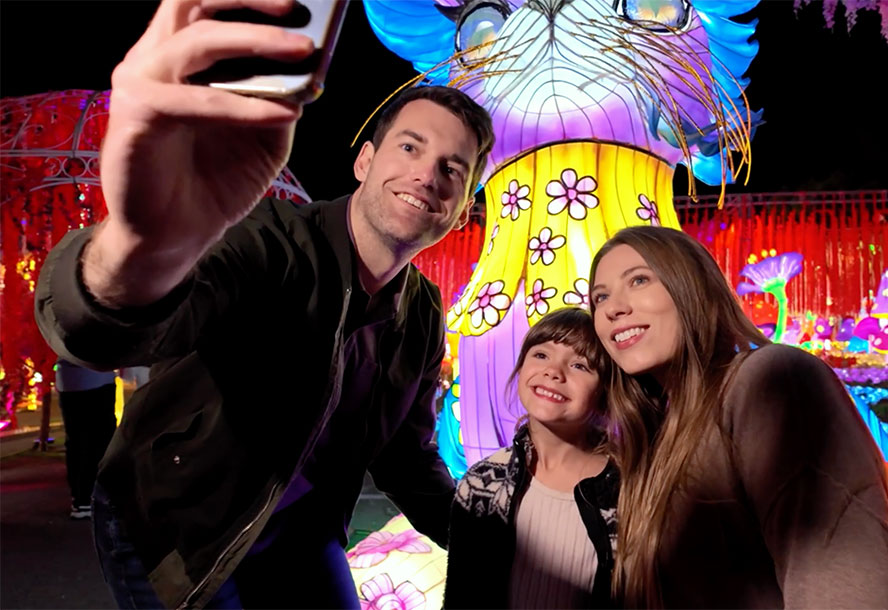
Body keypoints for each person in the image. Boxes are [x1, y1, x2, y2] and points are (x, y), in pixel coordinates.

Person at [33, 0, 495, 606]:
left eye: (452, 169)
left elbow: (406, 458)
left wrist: (500, 544)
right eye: (409, 147)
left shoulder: (422, 313)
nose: (427, 174)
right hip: (173, 524)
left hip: (301, 531)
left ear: (462, 205)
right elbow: (107, 333)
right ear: (364, 160)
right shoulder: (271, 242)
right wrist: (138, 251)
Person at [587, 226, 888, 608]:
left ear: (691, 287)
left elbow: (839, 575)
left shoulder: (773, 380)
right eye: (600, 297)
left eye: (639, 280)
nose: (613, 308)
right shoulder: (657, 433)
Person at [444, 308, 619, 609]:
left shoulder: (628, 490)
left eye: (580, 364)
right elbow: (461, 595)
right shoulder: (481, 483)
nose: (554, 371)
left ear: (605, 390)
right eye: (541, 355)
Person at [54, 359, 118, 519]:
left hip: (68, 380)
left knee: (77, 441)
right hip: (98, 376)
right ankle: (95, 496)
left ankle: (81, 498)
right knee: (100, 440)